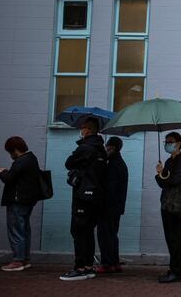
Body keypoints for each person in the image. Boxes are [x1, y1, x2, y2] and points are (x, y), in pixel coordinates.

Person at [60, 117, 107, 281]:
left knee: (78, 230)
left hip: (83, 196)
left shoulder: (86, 147)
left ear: (87, 130)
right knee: (88, 231)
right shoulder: (101, 149)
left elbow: (68, 163)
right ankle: (88, 266)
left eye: (82, 128)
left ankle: (80, 268)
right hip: (96, 197)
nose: (81, 130)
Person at [0, 136, 41, 272]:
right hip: (28, 200)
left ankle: (18, 261)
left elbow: (9, 178)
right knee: (24, 230)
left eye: (10, 152)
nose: (10, 155)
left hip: (17, 200)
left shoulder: (21, 161)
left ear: (15, 150)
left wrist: (1, 171)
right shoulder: (32, 158)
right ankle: (25, 259)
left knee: (16, 230)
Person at [155, 132, 181, 283]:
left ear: (178, 143)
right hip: (167, 203)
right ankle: (173, 269)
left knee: (176, 238)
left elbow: (175, 180)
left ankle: (177, 272)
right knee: (170, 238)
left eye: (170, 141)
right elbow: (162, 183)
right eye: (166, 141)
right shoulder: (169, 160)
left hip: (177, 205)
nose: (167, 144)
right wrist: (160, 174)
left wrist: (162, 176)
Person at [96, 137, 128, 274]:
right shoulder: (120, 163)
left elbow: (109, 187)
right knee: (112, 234)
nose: (105, 148)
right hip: (117, 207)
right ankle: (114, 262)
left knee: (105, 235)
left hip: (108, 206)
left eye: (107, 146)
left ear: (112, 148)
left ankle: (107, 263)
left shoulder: (112, 164)